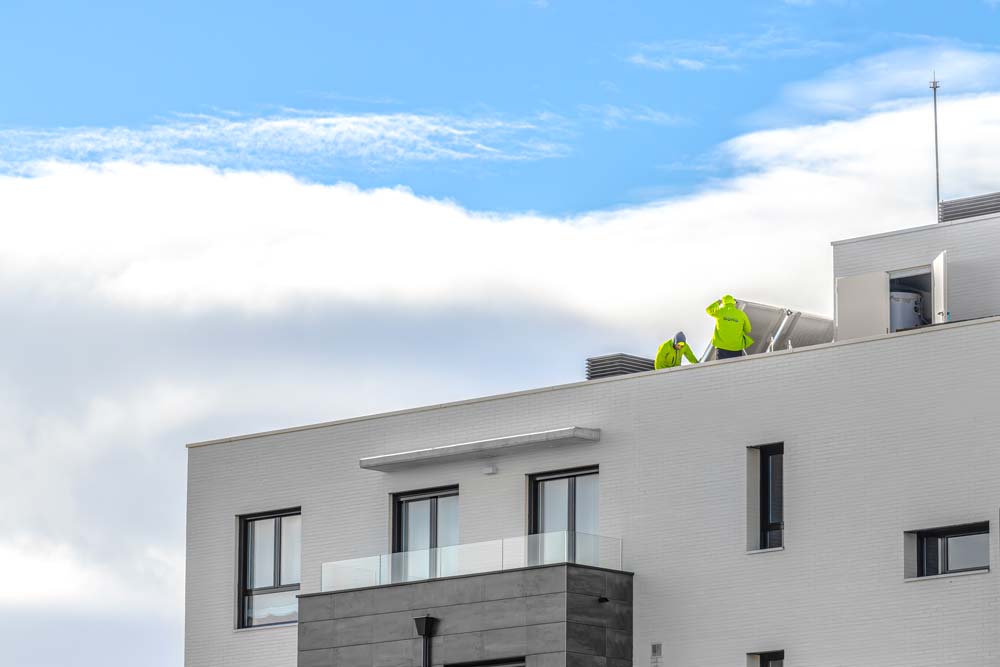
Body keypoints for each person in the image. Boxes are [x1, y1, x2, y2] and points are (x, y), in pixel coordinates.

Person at [706, 295, 753, 360]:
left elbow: (708, 310)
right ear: (733, 303)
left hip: (721, 347)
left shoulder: (719, 311)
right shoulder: (741, 314)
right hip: (736, 347)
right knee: (735, 368)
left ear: (723, 302)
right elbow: (748, 330)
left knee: (722, 367)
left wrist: (718, 302)